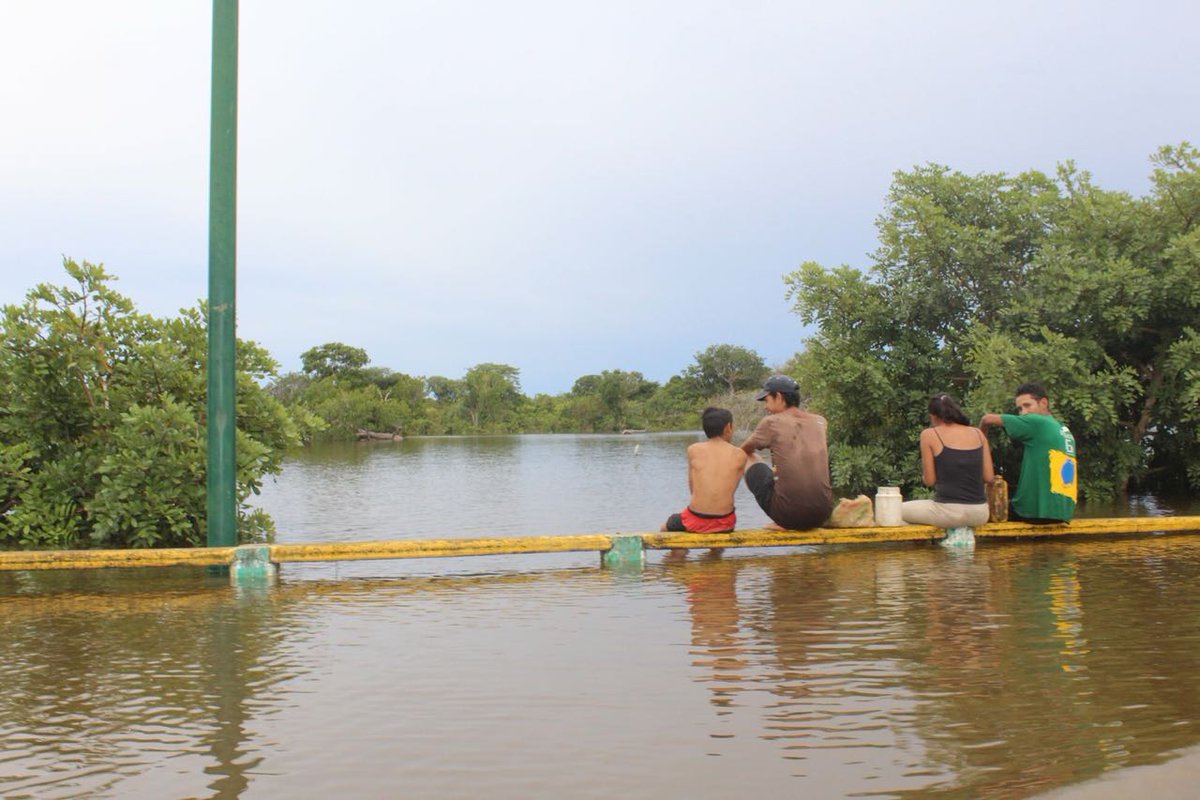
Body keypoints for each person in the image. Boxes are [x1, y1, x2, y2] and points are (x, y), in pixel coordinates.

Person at [740, 375, 835, 530]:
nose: (766, 407)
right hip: (823, 514)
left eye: (767, 400)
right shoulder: (820, 421)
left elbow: (743, 451)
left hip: (788, 516)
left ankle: (781, 521)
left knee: (750, 457)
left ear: (778, 397)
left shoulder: (771, 422)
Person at [980, 382, 1077, 523]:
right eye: (1020, 409)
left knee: (986, 510)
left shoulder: (1037, 422)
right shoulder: (1063, 429)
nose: (1023, 413)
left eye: (1027, 405)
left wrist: (980, 443)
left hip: (1036, 512)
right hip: (1062, 512)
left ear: (1044, 403)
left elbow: (986, 419)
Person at [901, 393, 994, 528]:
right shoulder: (978, 433)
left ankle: (921, 547)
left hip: (948, 514)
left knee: (893, 511)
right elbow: (989, 477)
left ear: (933, 416)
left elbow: (930, 481)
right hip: (980, 514)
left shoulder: (929, 434)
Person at [661, 407, 748, 533]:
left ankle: (679, 553)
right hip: (725, 522)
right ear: (728, 427)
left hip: (695, 519)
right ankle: (714, 553)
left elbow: (693, 489)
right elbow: (731, 488)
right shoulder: (740, 454)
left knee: (665, 527)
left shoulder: (693, 450)